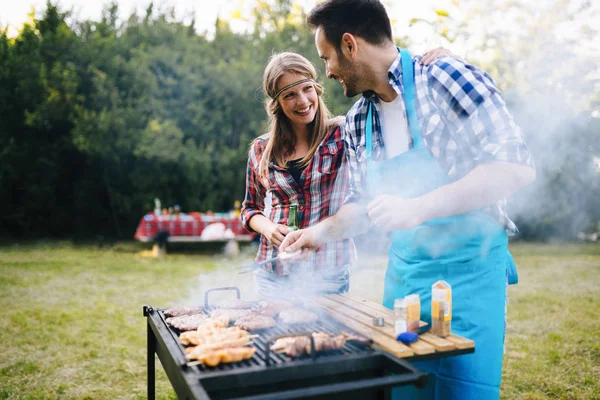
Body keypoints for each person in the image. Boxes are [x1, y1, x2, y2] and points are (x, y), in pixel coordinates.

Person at [280, 1, 536, 399]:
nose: (326, 71)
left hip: (469, 278)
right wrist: (317, 232)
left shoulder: (446, 78)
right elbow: (363, 206)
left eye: (326, 57)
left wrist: (418, 207)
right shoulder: (357, 120)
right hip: (405, 283)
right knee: (403, 391)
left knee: (463, 391)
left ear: (350, 45)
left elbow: (514, 167)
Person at [242, 49, 450, 299]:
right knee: (272, 335)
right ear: (277, 103)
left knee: (324, 338)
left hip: (328, 271)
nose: (302, 100)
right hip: (272, 269)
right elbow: (250, 208)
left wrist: (436, 60)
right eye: (289, 95)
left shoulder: (343, 132)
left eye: (307, 88)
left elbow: (390, 95)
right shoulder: (261, 150)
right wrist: (269, 228)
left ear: (317, 88)